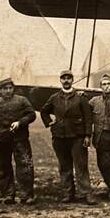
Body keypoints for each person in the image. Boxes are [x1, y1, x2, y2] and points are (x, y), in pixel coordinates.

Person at [41, 70, 95, 205]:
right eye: (63, 78)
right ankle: (67, 193)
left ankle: (86, 193)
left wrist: (87, 135)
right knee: (64, 166)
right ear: (60, 80)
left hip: (77, 136)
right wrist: (49, 122)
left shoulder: (80, 97)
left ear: (72, 80)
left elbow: (88, 118)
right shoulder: (54, 97)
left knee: (81, 166)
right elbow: (44, 111)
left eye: (68, 78)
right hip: (60, 136)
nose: (66, 81)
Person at [0, 77, 36, 205]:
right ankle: (8, 194)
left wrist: (20, 122)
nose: (8, 91)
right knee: (3, 166)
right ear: (0, 90)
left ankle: (26, 195)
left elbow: (31, 114)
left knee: (25, 165)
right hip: (2, 140)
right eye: (5, 89)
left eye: (10, 88)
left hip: (20, 139)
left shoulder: (22, 100)